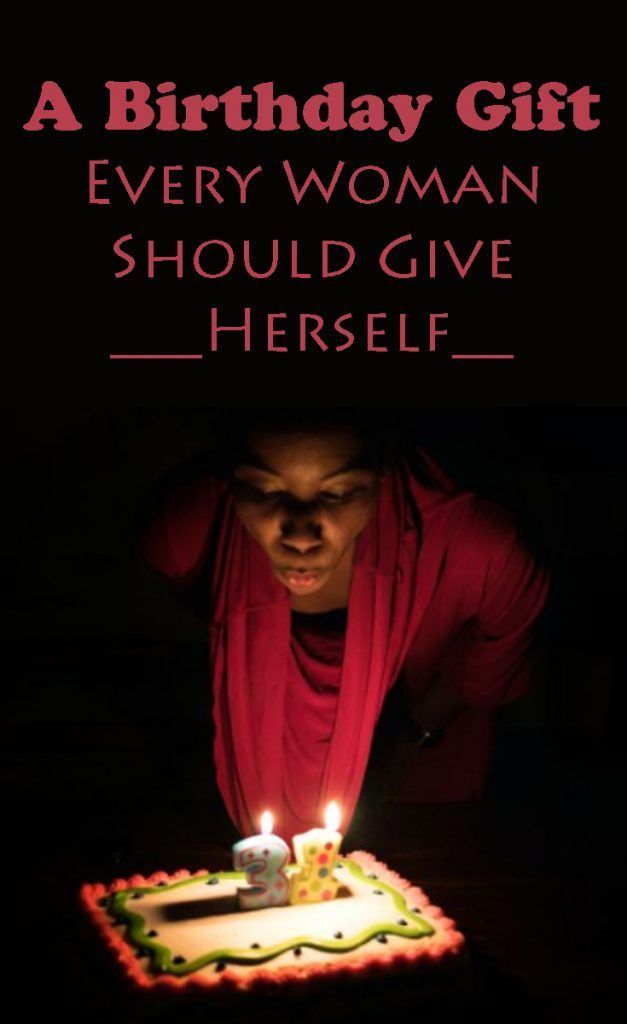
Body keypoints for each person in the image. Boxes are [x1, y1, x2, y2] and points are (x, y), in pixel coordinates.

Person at [140, 411, 551, 841]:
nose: (300, 535)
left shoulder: (478, 546)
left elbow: (508, 633)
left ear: (383, 470)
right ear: (231, 477)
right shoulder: (187, 532)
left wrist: (419, 728)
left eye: (337, 493)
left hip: (427, 772)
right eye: (264, 490)